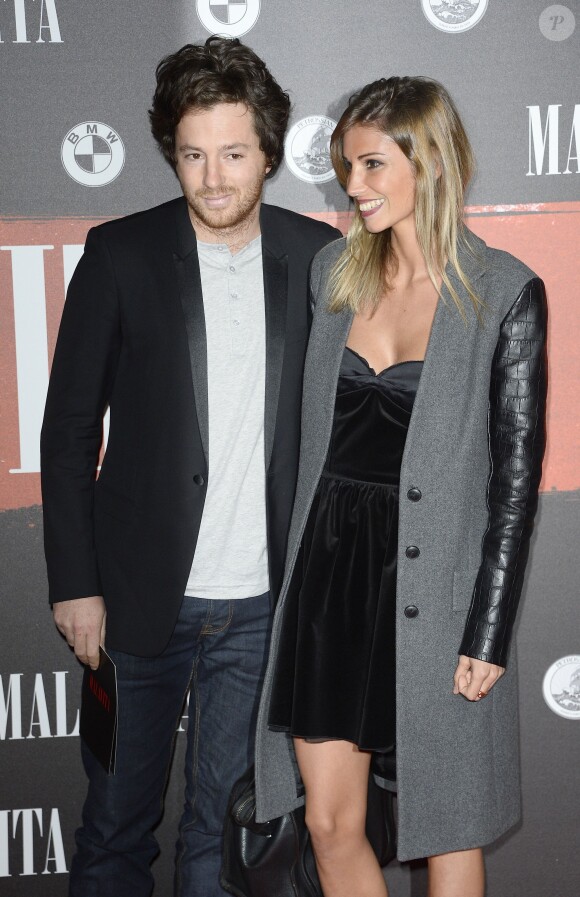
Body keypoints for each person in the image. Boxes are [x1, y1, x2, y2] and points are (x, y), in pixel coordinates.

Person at [41, 36, 339, 897]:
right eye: (193, 154)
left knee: (221, 831)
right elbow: (66, 434)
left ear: (270, 154)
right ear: (172, 152)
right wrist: (75, 582)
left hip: (259, 608)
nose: (213, 177)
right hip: (133, 602)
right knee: (116, 828)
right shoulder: (120, 253)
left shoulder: (319, 256)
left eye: (234, 153)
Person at [253, 76, 547, 897]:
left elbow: (516, 480)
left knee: (447, 825)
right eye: (348, 165)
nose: (353, 185)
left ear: (431, 162)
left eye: (373, 164)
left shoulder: (503, 292)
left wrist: (487, 630)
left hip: (438, 587)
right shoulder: (331, 275)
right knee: (328, 821)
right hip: (330, 575)